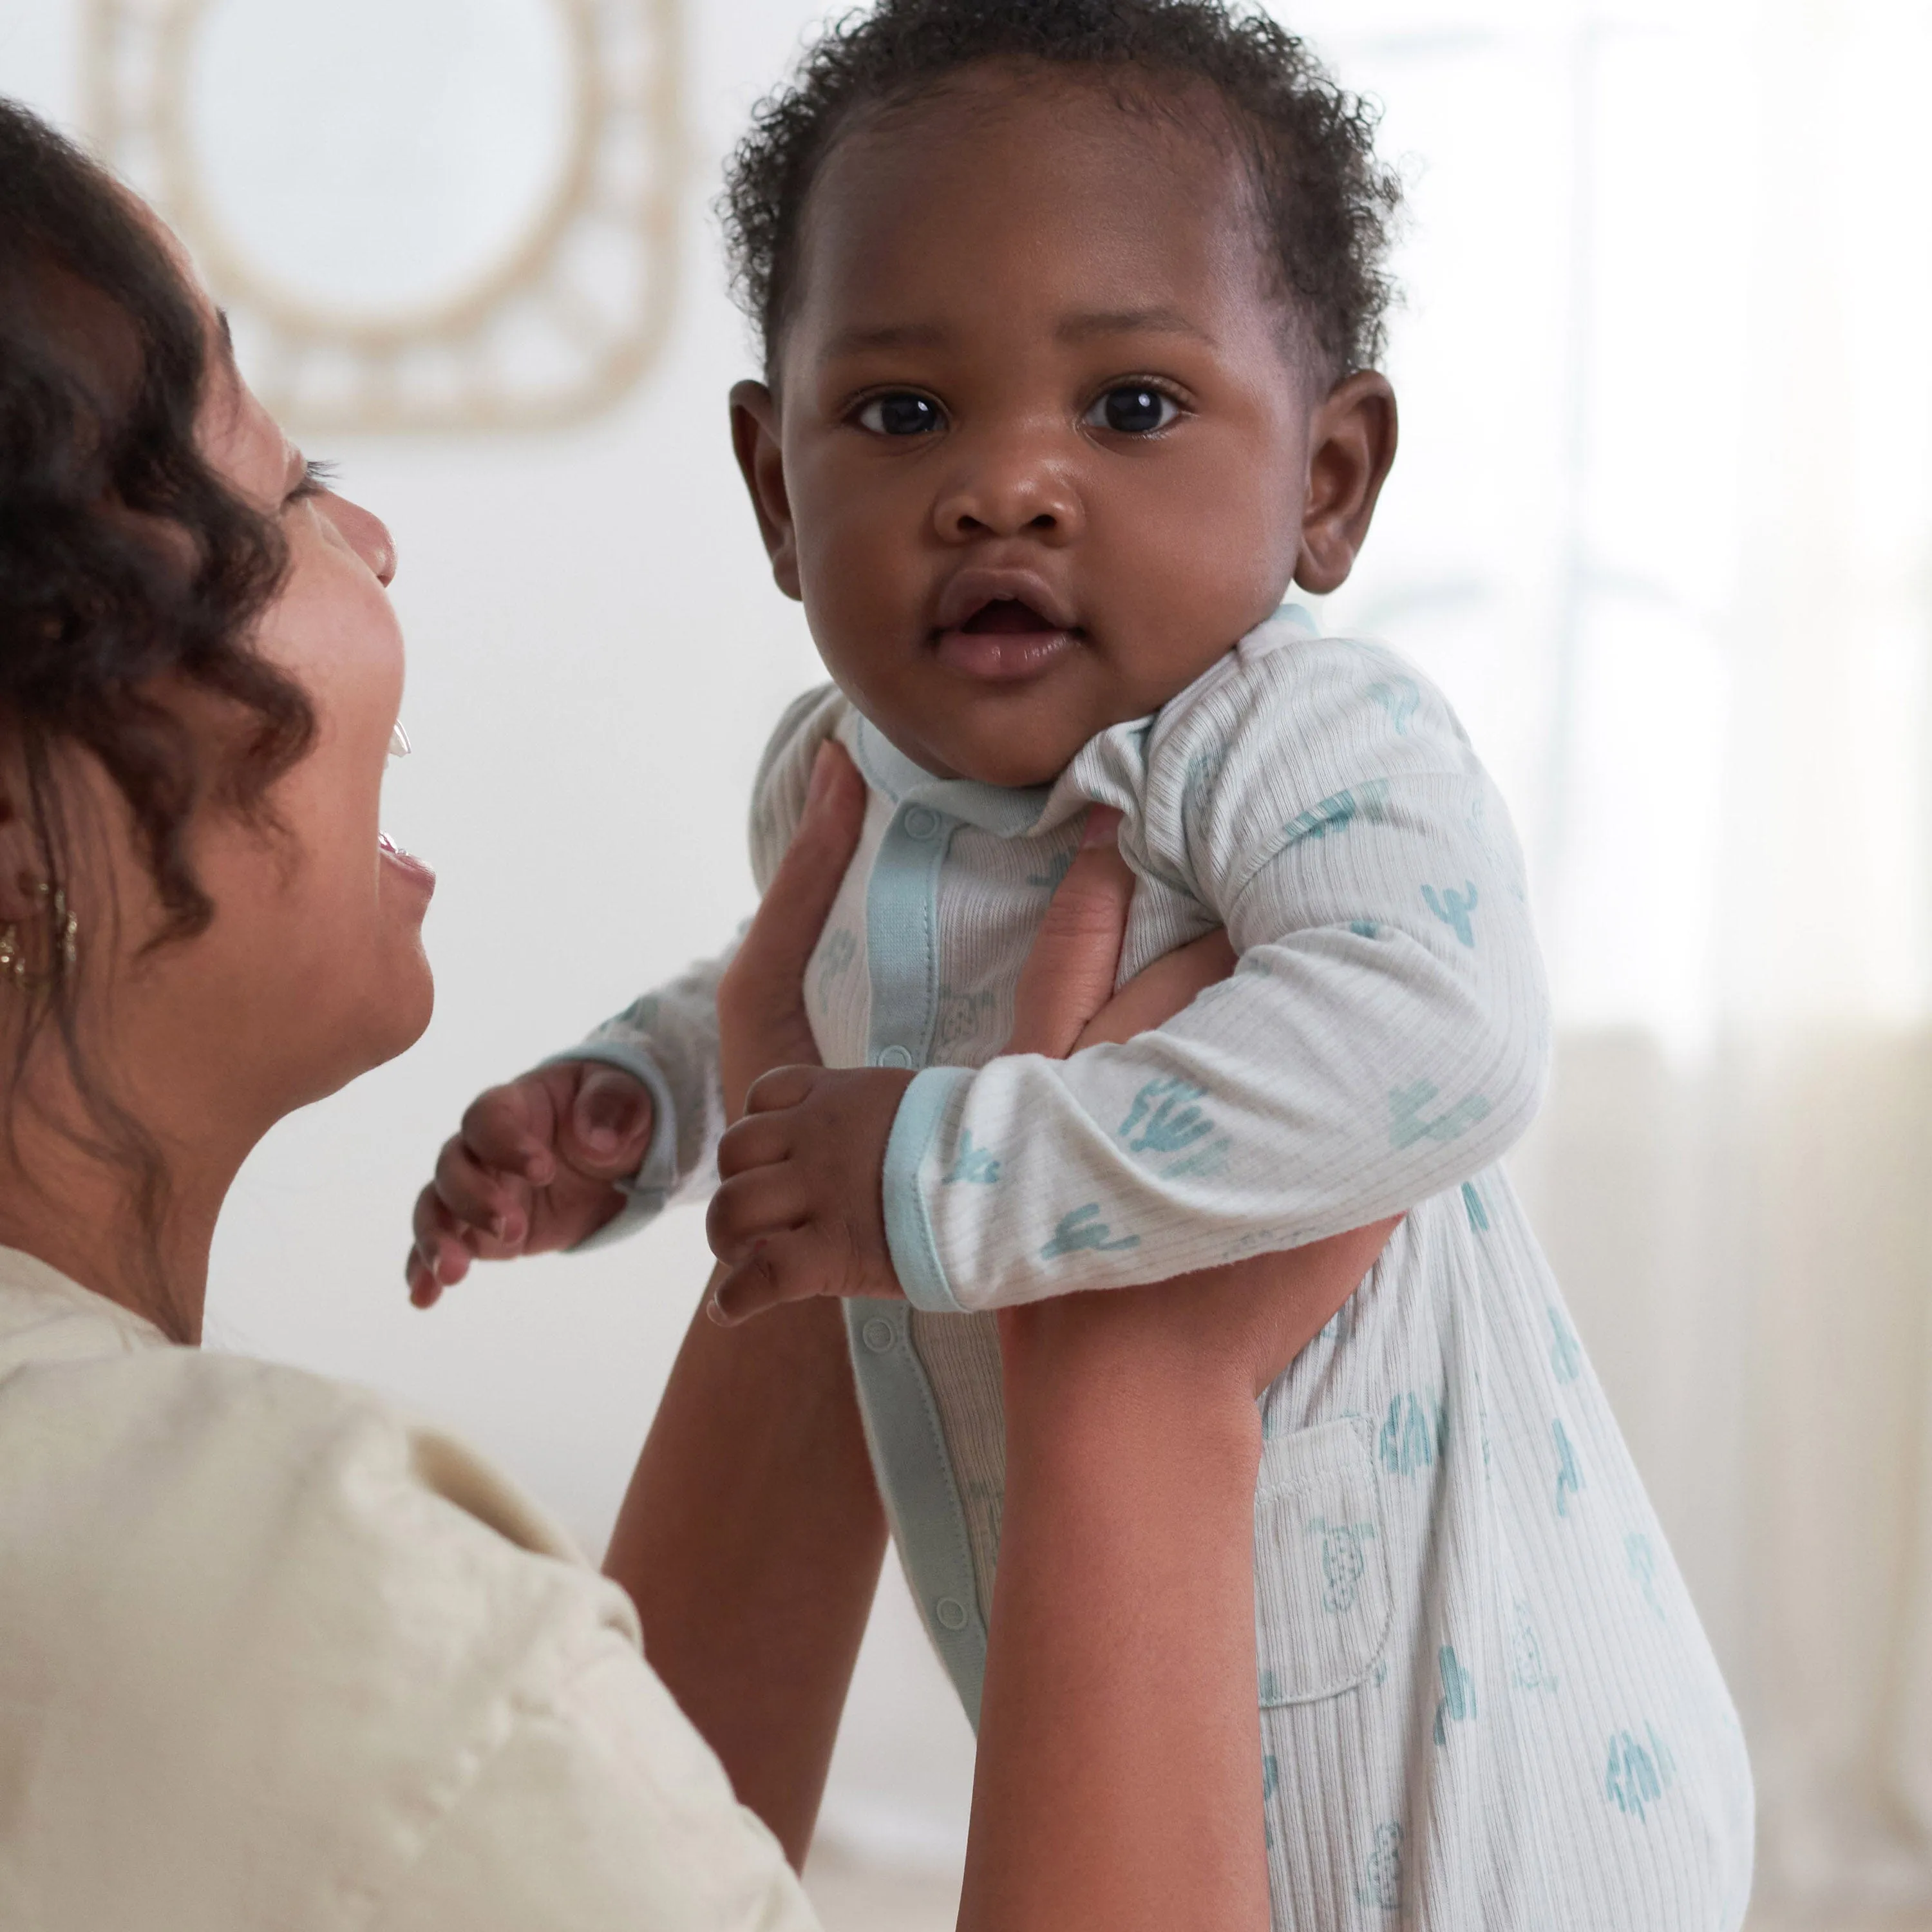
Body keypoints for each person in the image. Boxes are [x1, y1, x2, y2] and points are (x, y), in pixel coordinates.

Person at [413, 1, 1754, 1923]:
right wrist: (655, 1098)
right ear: (776, 491)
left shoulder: (1294, 745)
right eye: (901, 414)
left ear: (1329, 480)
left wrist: (961, 1172)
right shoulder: (839, 778)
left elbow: (1440, 1031)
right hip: (1149, 1746)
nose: (1006, 486)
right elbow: (856, 1010)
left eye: (1129, 408)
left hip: (1501, 1792)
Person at [0, 93, 1393, 1931]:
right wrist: (1141, 1383)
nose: (381, 539)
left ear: (1332, 478)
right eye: (279, 485)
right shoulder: (296, 1613)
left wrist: (826, 1175)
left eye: (1134, 407)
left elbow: (607, 1844)